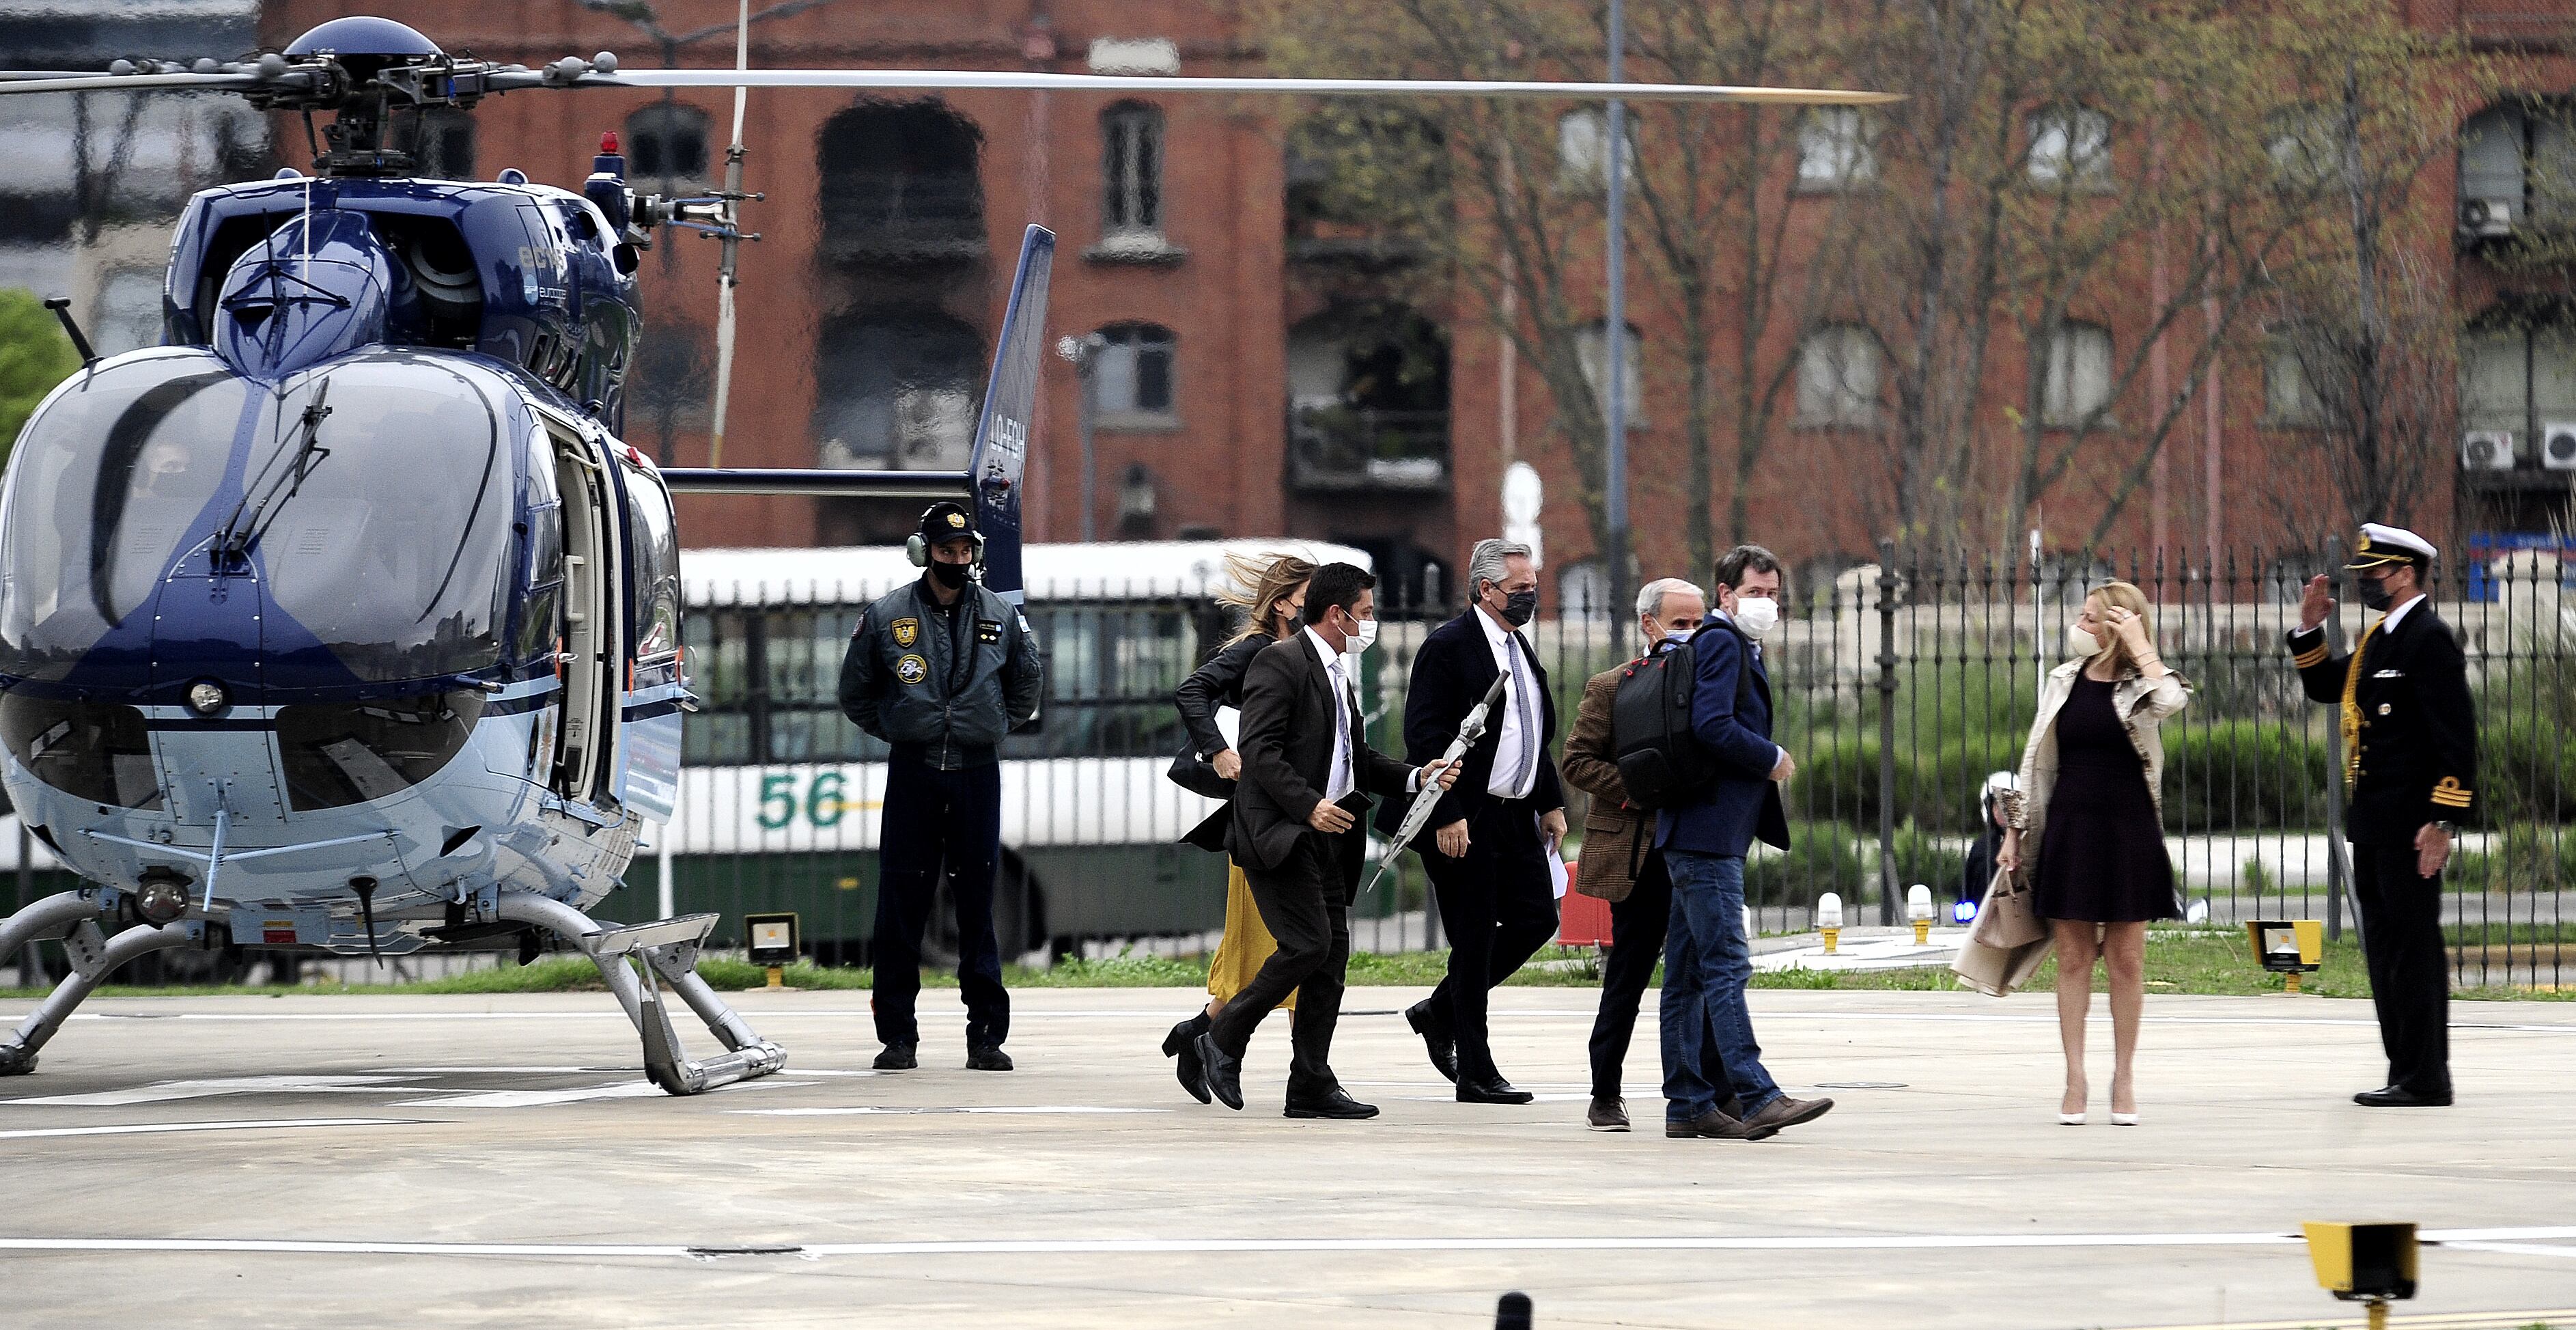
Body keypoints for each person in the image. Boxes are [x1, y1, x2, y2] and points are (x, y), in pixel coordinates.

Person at [1196, 562, 1457, 1118]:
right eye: (1365, 612)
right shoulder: (1280, 661)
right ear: (1337, 614)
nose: (1372, 623)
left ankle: (1310, 1083)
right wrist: (1309, 805)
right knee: (1309, 945)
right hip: (1282, 831)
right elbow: (1260, 750)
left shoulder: (1336, 672)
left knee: (1331, 958)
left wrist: (1417, 776)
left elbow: (1353, 759)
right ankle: (1222, 1037)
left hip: (1329, 837)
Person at [837, 501, 1043, 1073]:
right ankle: (897, 1037)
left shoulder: (1000, 613)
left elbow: (1027, 682)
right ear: (924, 552)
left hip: (978, 771)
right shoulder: (887, 616)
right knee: (901, 903)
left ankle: (986, 1038)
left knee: (978, 904)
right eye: (947, 551)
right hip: (915, 771)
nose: (957, 561)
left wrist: (992, 726)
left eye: (964, 551)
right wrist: (908, 728)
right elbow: (856, 693)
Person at [2284, 523, 2476, 1108]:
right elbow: (2327, 688)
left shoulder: (2428, 639)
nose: (2366, 581)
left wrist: (2443, 823)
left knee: (2414, 950)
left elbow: (2457, 740)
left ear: (2406, 574)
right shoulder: (2379, 640)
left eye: (2375, 572)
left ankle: (2427, 1076)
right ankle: (2404, 1069)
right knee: (2387, 952)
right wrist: (2310, 629)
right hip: (2372, 825)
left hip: (2411, 829)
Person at [1382, 538, 1567, 1105]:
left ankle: (1438, 1011)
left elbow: (1531, 732)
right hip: (1465, 816)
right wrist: (1447, 812)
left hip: (1515, 816)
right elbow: (1427, 736)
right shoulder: (1449, 647)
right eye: (1520, 590)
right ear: (1486, 590)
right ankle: (1476, 1069)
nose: (1530, 597)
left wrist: (1549, 799)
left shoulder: (1518, 648)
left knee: (1537, 920)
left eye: (1534, 587)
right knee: (1473, 937)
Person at [1655, 544, 1831, 1141]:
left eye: (1775, 593)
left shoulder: (1722, 643)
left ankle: (1688, 1104)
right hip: (1706, 834)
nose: (1768, 603)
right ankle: (1756, 1094)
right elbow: (1711, 724)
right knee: (1727, 963)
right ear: (1725, 594)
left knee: (1686, 974)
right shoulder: (1725, 642)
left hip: (1694, 829)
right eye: (1756, 592)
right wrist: (1771, 757)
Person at [1996, 581, 2187, 1126]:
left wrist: (2140, 644)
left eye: (2090, 617)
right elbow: (2035, 764)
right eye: (2080, 615)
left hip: (2129, 830)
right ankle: (2074, 1075)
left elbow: (2174, 699)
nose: (2079, 625)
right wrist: (2014, 832)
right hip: (2071, 827)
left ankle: (2123, 1076)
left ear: (2118, 625)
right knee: (2074, 959)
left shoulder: (2142, 686)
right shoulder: (2062, 680)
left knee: (2127, 962)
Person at [1564, 576, 1731, 1132]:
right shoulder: (1612, 686)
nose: (1690, 633)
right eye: (1679, 623)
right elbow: (1577, 761)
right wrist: (1635, 788)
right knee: (1629, 974)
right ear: (1649, 624)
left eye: (1698, 623)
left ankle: (1714, 1090)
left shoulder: (1708, 685)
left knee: (1702, 973)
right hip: (1636, 855)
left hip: (1693, 847)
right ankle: (1604, 1092)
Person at [1160, 552, 1316, 1103]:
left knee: (1290, 949)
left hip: (1297, 817)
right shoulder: (1256, 651)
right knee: (1280, 950)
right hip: (1261, 825)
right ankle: (1305, 1075)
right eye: (1307, 598)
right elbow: (1191, 691)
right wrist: (1219, 750)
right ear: (1282, 605)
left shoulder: (1312, 655)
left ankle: (1203, 1037)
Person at [1960, 772, 2017, 915]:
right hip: (1984, 918)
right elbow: (1968, 886)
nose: (2001, 811)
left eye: (2006, 804)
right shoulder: (1982, 846)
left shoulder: (2031, 842)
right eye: (1997, 805)